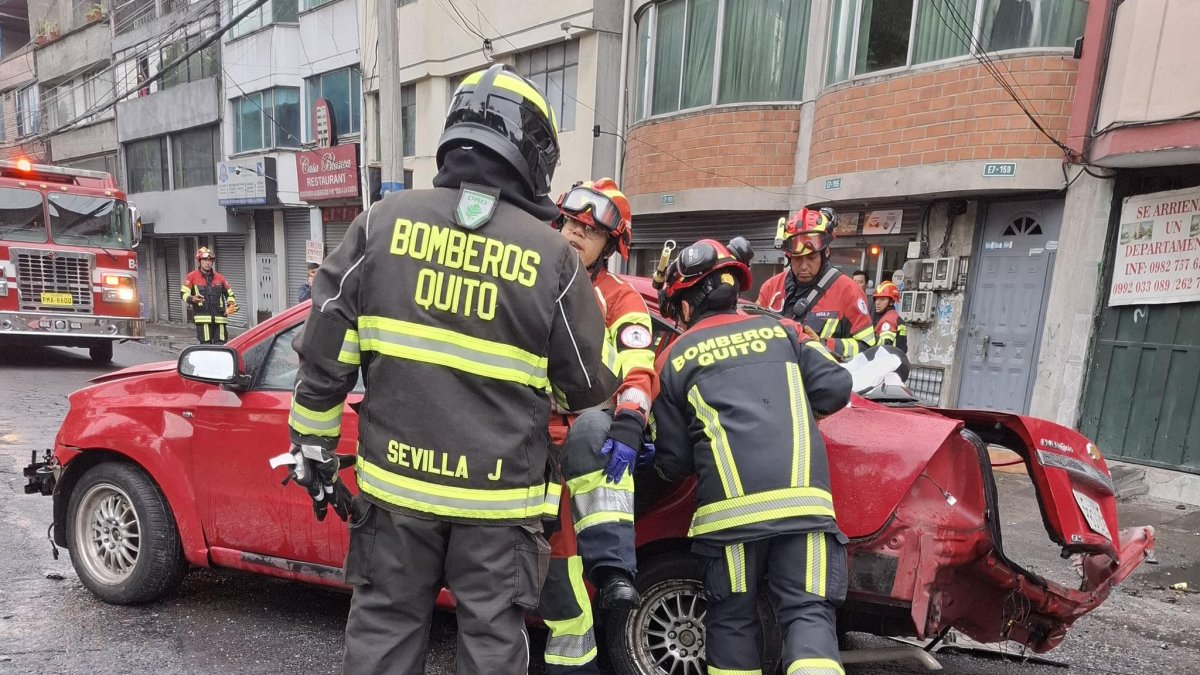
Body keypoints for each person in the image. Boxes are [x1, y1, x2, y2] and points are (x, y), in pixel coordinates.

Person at [286, 64, 619, 674]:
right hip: (498, 506)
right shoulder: (554, 257)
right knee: (491, 642)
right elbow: (587, 386)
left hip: (396, 492)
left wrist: (312, 444)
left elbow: (325, 351)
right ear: (532, 153)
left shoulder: (378, 225)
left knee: (384, 631)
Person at [651, 238, 853, 675]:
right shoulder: (784, 331)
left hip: (729, 520)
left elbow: (673, 463)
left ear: (684, 305)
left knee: (732, 621)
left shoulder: (672, 358)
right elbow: (836, 388)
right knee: (807, 614)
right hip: (804, 508)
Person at [539, 178, 659, 673]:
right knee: (557, 586)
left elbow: (638, 368)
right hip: (530, 440)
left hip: (586, 441)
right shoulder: (531, 277)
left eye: (589, 231)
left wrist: (630, 421)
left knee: (591, 431)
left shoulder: (620, 298)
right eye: (570, 223)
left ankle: (613, 571)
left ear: (610, 245)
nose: (574, 234)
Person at [757, 207, 877, 361]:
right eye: (797, 258)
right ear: (789, 256)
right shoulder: (770, 288)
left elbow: (867, 348)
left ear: (824, 253)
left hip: (824, 375)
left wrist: (822, 344)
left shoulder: (848, 291)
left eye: (811, 257)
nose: (804, 266)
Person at [181, 247, 237, 344]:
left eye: (210, 260)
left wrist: (231, 305)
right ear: (199, 261)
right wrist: (192, 299)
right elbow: (183, 293)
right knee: (206, 347)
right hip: (203, 321)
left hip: (220, 320)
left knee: (221, 347)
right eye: (205, 260)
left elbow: (230, 294)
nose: (208, 263)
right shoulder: (192, 276)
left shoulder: (220, 278)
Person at [873, 281, 907, 352]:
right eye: (876, 299)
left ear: (891, 302)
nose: (877, 303)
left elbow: (884, 346)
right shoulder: (895, 317)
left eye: (882, 299)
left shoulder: (888, 320)